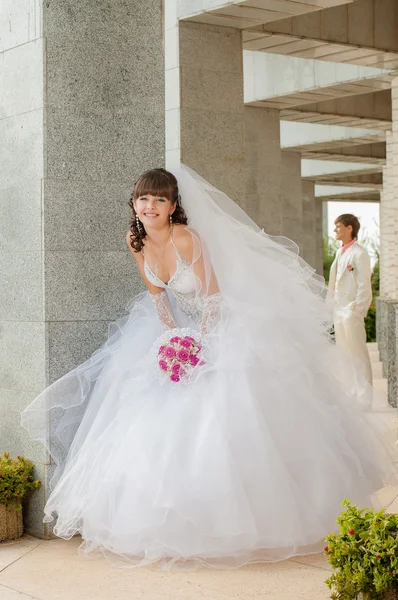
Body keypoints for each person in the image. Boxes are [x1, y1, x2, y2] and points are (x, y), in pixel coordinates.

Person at [21, 166, 395, 570]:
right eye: (144, 199)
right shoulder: (136, 240)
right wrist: (172, 341)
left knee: (230, 412)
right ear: (134, 203)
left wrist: (202, 345)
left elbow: (213, 297)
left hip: (221, 328)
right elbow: (159, 298)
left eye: (160, 200)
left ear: (173, 206)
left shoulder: (186, 237)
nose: (150, 206)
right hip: (180, 331)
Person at [328, 214, 373, 409]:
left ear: (349, 229)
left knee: (358, 355)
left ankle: (365, 398)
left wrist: (357, 309)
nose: (335, 230)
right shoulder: (340, 253)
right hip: (339, 311)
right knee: (345, 355)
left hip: (351, 312)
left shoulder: (360, 253)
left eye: (338, 227)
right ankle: (351, 394)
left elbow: (364, 285)